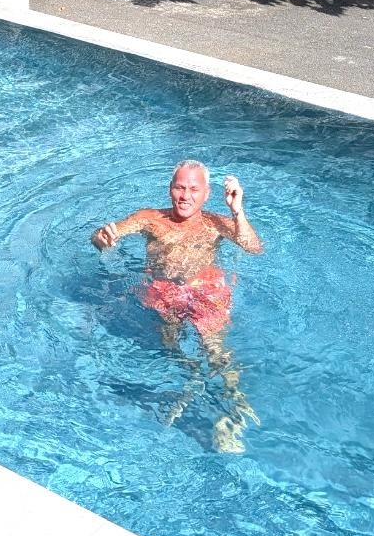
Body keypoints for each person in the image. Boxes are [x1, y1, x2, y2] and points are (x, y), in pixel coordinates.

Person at [91, 160, 263, 451]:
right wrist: (102, 239)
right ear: (170, 189)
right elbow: (105, 234)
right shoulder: (150, 218)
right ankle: (193, 380)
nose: (186, 196)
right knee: (170, 344)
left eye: (194, 189)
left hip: (205, 290)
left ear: (206, 194)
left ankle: (234, 413)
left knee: (215, 348)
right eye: (180, 188)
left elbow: (253, 247)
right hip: (164, 293)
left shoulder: (215, 223)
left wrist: (237, 211)